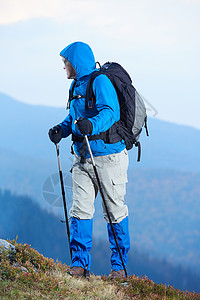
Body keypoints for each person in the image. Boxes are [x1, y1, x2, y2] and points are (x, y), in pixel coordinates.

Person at [49, 41, 130, 279]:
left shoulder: (100, 81)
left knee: (114, 212)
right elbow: (75, 116)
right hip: (83, 157)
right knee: (80, 210)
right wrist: (62, 129)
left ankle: (119, 269)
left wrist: (91, 125)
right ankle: (79, 265)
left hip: (109, 157)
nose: (64, 67)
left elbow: (110, 112)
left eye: (66, 63)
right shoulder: (77, 85)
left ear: (76, 63)